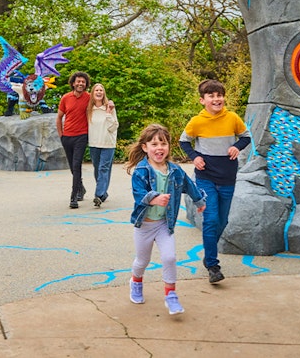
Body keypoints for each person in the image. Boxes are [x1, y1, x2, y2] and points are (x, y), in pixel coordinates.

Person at [126, 123, 206, 315]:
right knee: (142, 261)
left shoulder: (175, 170)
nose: (159, 148)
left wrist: (199, 201)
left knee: (169, 257)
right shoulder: (141, 171)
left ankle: (171, 296)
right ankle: (136, 282)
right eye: (154, 144)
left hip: (164, 224)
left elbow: (189, 185)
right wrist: (154, 198)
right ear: (145, 147)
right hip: (144, 225)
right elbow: (139, 194)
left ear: (169, 146)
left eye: (163, 143)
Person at [179, 79, 251, 284]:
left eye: (219, 95)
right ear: (203, 100)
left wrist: (237, 146)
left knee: (222, 221)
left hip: (228, 177)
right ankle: (212, 264)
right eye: (211, 95)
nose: (216, 99)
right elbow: (183, 141)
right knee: (210, 220)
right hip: (206, 178)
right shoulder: (197, 121)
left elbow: (246, 137)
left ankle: (209, 251)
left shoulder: (233, 118)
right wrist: (195, 157)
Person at [56, 71, 91, 209]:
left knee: (77, 165)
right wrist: (61, 135)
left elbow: (102, 101)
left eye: (83, 82)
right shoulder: (65, 98)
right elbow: (59, 117)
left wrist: (110, 104)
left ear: (86, 84)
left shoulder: (89, 97)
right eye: (78, 81)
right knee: (72, 166)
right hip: (67, 137)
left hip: (81, 136)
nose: (81, 84)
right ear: (73, 83)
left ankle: (73, 197)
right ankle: (81, 188)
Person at [86, 83, 118, 208]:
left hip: (108, 143)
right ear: (93, 93)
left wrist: (109, 114)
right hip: (94, 143)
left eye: (101, 90)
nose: (99, 92)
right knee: (98, 169)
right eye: (96, 90)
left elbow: (114, 126)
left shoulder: (109, 107)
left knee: (103, 169)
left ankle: (98, 195)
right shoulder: (89, 109)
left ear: (104, 93)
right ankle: (103, 193)